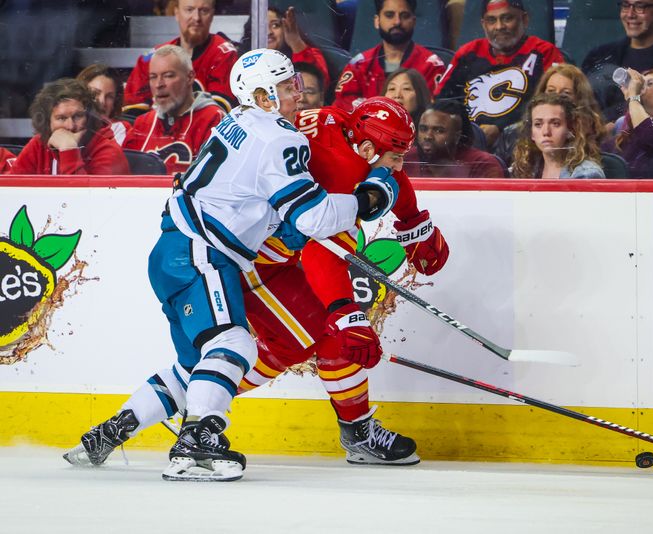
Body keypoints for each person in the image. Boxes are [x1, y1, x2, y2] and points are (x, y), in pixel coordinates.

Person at [63, 49, 401, 481]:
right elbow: (312, 217)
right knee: (236, 344)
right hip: (203, 254)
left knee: (194, 367)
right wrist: (370, 197)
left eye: (294, 82)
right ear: (261, 96)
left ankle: (109, 432)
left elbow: (254, 198)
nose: (296, 92)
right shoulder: (280, 137)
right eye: (284, 87)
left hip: (173, 253)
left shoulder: (235, 122)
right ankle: (198, 443)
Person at [238, 96, 451, 465]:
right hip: (248, 258)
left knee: (323, 337)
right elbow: (325, 254)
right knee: (300, 342)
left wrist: (412, 221)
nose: (401, 166)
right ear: (366, 147)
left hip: (271, 251)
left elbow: (387, 172)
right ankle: (198, 402)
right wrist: (344, 310)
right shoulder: (341, 172)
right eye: (396, 155)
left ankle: (358, 432)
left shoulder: (342, 124)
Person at [435, 0, 564, 149]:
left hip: (524, 142)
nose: (499, 27)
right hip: (468, 144)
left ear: (524, 19)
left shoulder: (544, 52)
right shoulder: (468, 52)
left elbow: (556, 103)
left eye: (507, 18)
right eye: (491, 20)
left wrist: (501, 128)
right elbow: (442, 101)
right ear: (483, 24)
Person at [122, 45, 225, 175]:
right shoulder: (142, 124)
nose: (159, 84)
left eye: (168, 75)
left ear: (189, 77)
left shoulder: (214, 119)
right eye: (153, 77)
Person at [124, 0, 238, 115]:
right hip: (158, 131)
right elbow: (133, 113)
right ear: (177, 13)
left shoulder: (223, 54)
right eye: (189, 10)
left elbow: (217, 113)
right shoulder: (154, 58)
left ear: (212, 14)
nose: (196, 18)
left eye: (204, 11)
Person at [333, 0, 446, 111]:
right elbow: (340, 106)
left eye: (405, 16)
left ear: (414, 21)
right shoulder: (358, 64)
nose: (397, 22)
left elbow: (435, 112)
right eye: (389, 15)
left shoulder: (432, 65)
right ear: (377, 21)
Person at [6, 78, 129, 175]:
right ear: (46, 121)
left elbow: (87, 204)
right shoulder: (38, 146)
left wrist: (69, 150)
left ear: (90, 117)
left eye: (78, 116)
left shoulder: (108, 152)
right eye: (61, 118)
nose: (70, 126)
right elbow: (13, 193)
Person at [496, 63, 607, 171]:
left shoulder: (586, 166)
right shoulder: (513, 134)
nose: (556, 96)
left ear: (579, 98)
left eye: (566, 93)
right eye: (551, 91)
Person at [510, 93, 605, 179]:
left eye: (555, 123)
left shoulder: (587, 174)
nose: (546, 132)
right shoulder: (525, 169)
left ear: (570, 129)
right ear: (531, 133)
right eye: (538, 124)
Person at [405, 100, 506, 178]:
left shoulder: (482, 165)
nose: (428, 136)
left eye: (439, 130)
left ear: (457, 136)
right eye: (423, 129)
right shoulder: (405, 160)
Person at [266, 6, 330, 88]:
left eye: (275, 25)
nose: (268, 32)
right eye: (262, 26)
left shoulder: (310, 53)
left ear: (285, 26)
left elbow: (317, 87)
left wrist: (295, 43)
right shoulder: (245, 58)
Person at [76, 64, 130, 145]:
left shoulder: (119, 129)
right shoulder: (67, 124)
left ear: (115, 103)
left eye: (109, 97)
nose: (102, 101)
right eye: (95, 93)